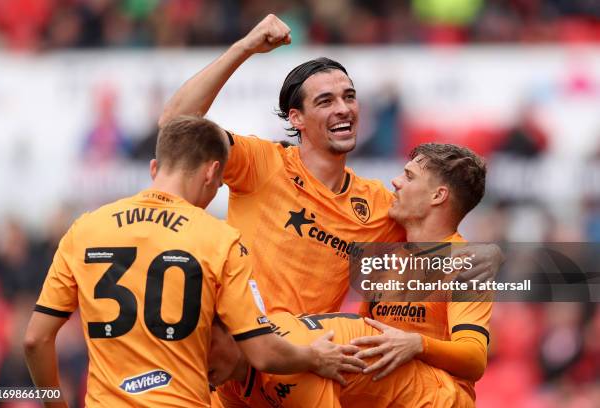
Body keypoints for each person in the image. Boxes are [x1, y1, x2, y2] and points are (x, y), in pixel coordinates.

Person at [159, 14, 502, 316]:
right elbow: (176, 122)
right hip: (232, 368)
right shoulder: (261, 162)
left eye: (349, 96)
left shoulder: (379, 208)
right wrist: (244, 47)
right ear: (297, 119)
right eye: (325, 101)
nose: (343, 108)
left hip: (300, 376)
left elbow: (440, 242)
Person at [24, 116, 364, 408]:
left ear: (155, 168)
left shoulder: (85, 229)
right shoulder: (218, 238)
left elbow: (35, 341)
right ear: (212, 172)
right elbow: (262, 353)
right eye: (218, 184)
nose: (215, 191)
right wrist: (315, 357)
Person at [352, 143, 491, 403]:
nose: (395, 181)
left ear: (437, 196)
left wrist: (418, 344)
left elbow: (475, 358)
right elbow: (363, 332)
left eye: (409, 176)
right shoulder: (384, 257)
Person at [210, 312, 473, 408]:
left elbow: (475, 357)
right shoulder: (230, 382)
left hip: (433, 401)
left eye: (208, 344)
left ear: (233, 330)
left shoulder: (292, 370)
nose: (198, 358)